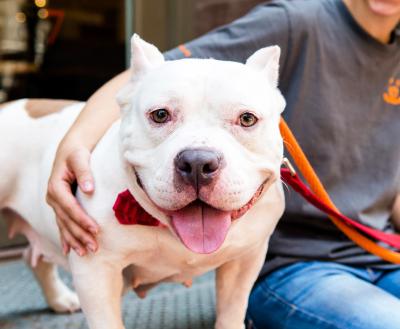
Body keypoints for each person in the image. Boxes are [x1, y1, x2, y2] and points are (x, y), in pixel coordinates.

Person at [46, 0, 400, 328]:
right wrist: (75, 142)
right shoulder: (296, 21)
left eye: (246, 120)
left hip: (381, 253)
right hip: (295, 262)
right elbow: (143, 80)